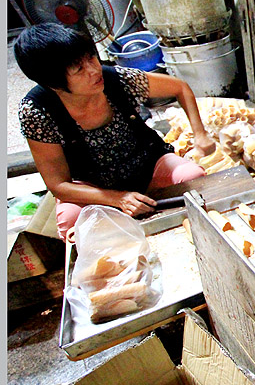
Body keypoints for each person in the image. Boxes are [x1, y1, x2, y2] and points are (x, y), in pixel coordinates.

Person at [15, 23, 216, 241]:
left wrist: (200, 134)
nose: (94, 70)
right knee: (71, 221)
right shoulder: (37, 111)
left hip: (148, 166)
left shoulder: (118, 79)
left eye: (91, 58)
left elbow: (179, 87)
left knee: (193, 178)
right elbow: (58, 185)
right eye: (79, 70)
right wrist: (118, 199)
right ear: (54, 83)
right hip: (93, 186)